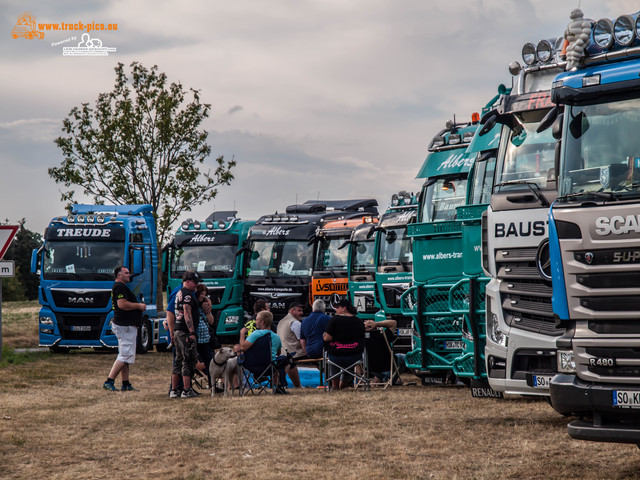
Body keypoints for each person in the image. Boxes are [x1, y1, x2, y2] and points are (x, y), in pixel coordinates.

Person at [103, 266, 146, 392]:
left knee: (125, 355)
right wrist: (139, 306)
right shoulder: (120, 287)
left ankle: (125, 383)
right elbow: (122, 304)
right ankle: (109, 381)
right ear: (119, 275)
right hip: (125, 326)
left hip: (125, 325)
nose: (129, 275)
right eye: (126, 273)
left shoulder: (120, 287)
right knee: (125, 355)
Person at [239, 310, 289, 394]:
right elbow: (278, 353)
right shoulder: (276, 337)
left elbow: (243, 347)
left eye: (257, 319)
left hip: (252, 366)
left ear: (262, 322)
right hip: (269, 367)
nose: (255, 321)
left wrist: (242, 333)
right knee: (282, 360)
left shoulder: (255, 334)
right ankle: (278, 386)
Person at [170, 270, 202, 399]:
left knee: (178, 360)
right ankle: (186, 390)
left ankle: (174, 390)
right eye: (195, 282)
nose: (196, 285)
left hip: (178, 330)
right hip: (185, 332)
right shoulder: (188, 294)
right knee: (188, 360)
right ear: (188, 282)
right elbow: (187, 313)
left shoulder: (179, 292)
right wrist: (192, 332)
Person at [323, 298, 365, 390]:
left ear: (344, 308)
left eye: (337, 307)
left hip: (336, 355)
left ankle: (335, 386)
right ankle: (344, 385)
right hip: (355, 356)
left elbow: (327, 338)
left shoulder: (335, 320)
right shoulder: (359, 321)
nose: (336, 309)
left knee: (334, 358)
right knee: (348, 361)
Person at [277, 302, 305, 388]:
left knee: (289, 362)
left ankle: (297, 385)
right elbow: (302, 341)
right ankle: (331, 381)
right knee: (318, 357)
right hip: (294, 353)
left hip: (283, 353)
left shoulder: (281, 321)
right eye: (299, 310)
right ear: (292, 311)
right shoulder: (295, 323)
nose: (302, 313)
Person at [195, 283, 216, 388]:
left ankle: (212, 385)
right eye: (202, 294)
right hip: (195, 337)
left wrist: (208, 311)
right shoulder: (192, 303)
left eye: (205, 294)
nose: (203, 296)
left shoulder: (205, 305)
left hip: (205, 338)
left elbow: (211, 321)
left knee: (209, 361)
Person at [364, 318, 397, 384]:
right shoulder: (383, 336)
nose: (367, 321)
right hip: (386, 365)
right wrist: (377, 324)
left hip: (367, 367)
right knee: (403, 357)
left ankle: (381, 377)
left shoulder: (360, 339)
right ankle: (387, 379)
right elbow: (394, 323)